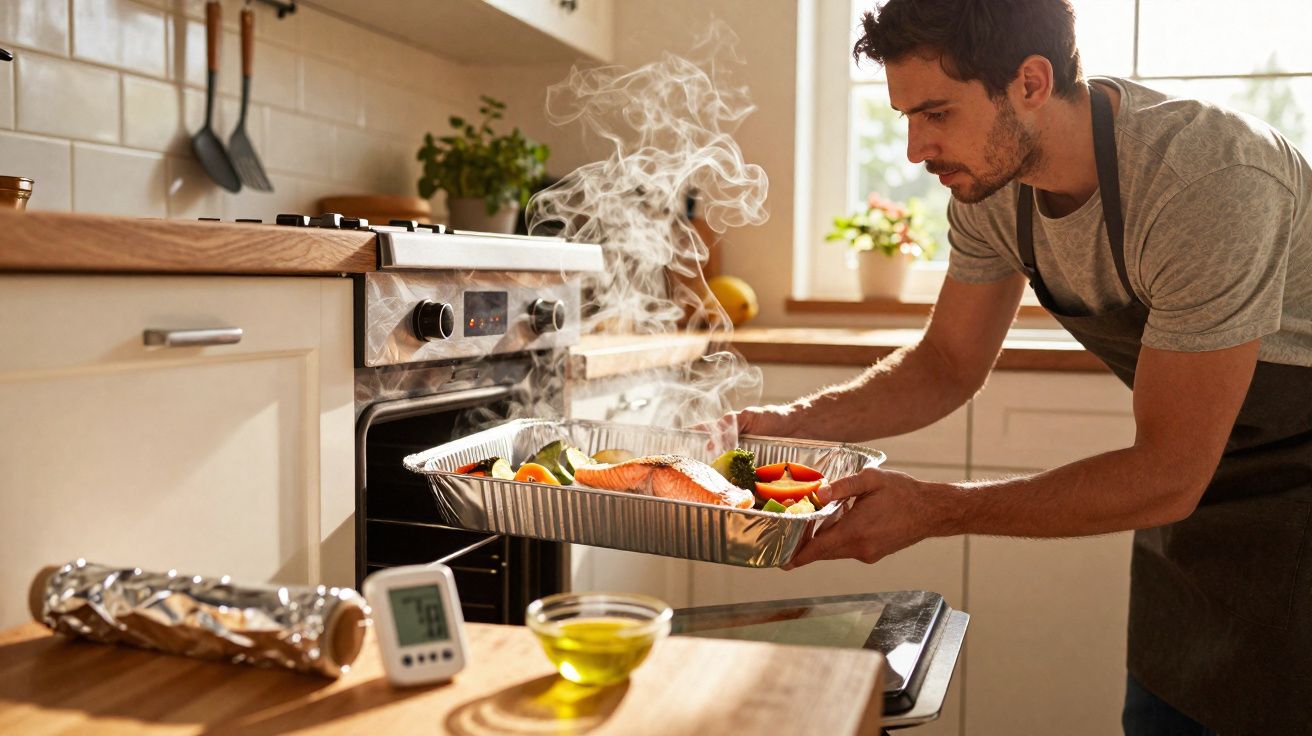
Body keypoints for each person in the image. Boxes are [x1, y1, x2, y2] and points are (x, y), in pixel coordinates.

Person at [723, 1, 1312, 734]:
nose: (914, 148)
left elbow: (1167, 472)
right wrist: (776, 425)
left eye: (935, 112)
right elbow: (945, 363)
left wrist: (938, 509)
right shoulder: (991, 185)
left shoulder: (1206, 177)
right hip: (1190, 516)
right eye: (906, 116)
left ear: (1031, 81)